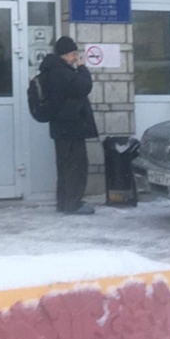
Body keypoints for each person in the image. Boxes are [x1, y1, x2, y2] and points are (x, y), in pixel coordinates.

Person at [39, 35, 99, 215]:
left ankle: (64, 201)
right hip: (71, 126)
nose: (75, 58)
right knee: (76, 166)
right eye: (73, 54)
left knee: (65, 165)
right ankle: (73, 203)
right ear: (64, 55)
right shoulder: (62, 72)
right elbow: (84, 86)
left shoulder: (52, 70)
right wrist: (82, 68)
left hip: (61, 127)